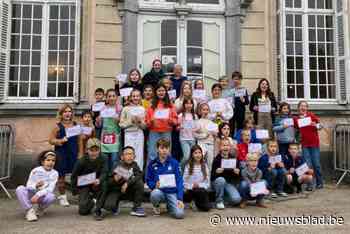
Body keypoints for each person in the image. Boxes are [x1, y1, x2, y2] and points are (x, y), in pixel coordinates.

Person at [95, 146, 146, 220]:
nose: (130, 156)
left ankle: (136, 208)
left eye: (132, 154)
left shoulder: (135, 165)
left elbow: (139, 175)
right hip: (116, 190)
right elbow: (107, 182)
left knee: (139, 183)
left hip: (127, 190)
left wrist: (127, 183)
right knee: (109, 207)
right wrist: (114, 179)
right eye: (127, 154)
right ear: (122, 157)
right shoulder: (117, 165)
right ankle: (111, 205)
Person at [49, 104, 80, 207]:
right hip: (61, 153)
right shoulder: (57, 126)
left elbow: (80, 141)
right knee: (61, 176)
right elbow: (51, 140)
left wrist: (81, 153)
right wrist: (61, 140)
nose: (68, 113)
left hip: (74, 153)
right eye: (65, 112)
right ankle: (63, 197)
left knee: (77, 176)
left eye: (69, 111)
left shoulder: (76, 125)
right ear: (61, 114)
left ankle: (81, 195)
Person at [146, 138, 185, 219]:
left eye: (166, 148)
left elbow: (179, 181)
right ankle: (156, 206)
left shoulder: (174, 163)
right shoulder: (152, 164)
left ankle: (170, 205)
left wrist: (180, 199)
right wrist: (154, 185)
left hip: (172, 193)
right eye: (162, 148)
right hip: (160, 192)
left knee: (179, 214)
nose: (164, 150)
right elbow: (148, 180)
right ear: (157, 149)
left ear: (169, 149)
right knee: (154, 193)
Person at [16, 150, 58, 222]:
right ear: (42, 162)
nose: (51, 162)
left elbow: (50, 188)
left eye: (53, 160)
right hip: (31, 193)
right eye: (48, 160)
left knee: (51, 196)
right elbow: (28, 185)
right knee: (20, 189)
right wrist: (35, 185)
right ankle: (29, 211)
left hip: (41, 195)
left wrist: (38, 195)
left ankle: (41, 208)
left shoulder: (55, 173)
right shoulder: (36, 170)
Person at [71, 138, 108, 215]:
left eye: (96, 150)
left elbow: (105, 172)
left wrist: (99, 180)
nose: (94, 153)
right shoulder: (81, 161)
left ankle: (98, 208)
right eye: (91, 150)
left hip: (97, 182)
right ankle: (92, 201)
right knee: (83, 211)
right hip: (84, 184)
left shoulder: (104, 158)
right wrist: (75, 190)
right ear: (87, 150)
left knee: (104, 183)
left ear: (100, 150)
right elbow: (74, 176)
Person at [145, 84, 178, 165]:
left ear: (165, 92)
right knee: (152, 154)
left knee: (166, 153)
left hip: (166, 132)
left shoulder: (170, 105)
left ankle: (166, 174)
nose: (161, 92)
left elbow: (175, 121)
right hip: (154, 132)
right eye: (159, 91)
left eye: (163, 91)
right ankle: (150, 176)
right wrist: (151, 121)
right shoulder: (151, 105)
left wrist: (170, 120)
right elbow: (147, 122)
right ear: (156, 92)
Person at [294, 100, 323, 190]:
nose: (303, 108)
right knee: (307, 165)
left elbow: (321, 127)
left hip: (314, 143)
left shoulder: (312, 116)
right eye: (301, 106)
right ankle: (310, 184)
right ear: (298, 108)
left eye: (305, 106)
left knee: (316, 164)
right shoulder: (296, 119)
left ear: (307, 108)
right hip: (304, 144)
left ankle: (319, 183)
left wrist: (315, 125)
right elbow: (295, 130)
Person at [96, 89, 123, 171]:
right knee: (105, 159)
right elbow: (99, 125)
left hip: (115, 136)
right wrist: (98, 120)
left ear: (116, 97)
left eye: (113, 96)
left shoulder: (120, 108)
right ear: (106, 98)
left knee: (115, 159)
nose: (111, 98)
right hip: (105, 137)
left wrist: (118, 119)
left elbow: (123, 123)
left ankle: (113, 178)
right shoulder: (103, 108)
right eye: (109, 96)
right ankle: (105, 178)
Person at [119, 89, 147, 170]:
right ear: (130, 97)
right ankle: (128, 175)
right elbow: (121, 124)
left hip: (139, 134)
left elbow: (145, 126)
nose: (135, 98)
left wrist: (139, 122)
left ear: (140, 97)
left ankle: (138, 174)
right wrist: (130, 122)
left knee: (139, 155)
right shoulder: (125, 108)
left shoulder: (142, 109)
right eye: (133, 96)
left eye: (137, 96)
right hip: (129, 134)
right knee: (128, 154)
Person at [211, 139, 241, 210]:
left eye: (227, 145)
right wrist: (216, 172)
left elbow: (238, 177)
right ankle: (219, 201)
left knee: (236, 200)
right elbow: (211, 177)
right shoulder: (216, 159)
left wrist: (237, 173)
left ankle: (225, 197)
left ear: (230, 147)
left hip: (228, 183)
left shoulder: (234, 159)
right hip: (217, 182)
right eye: (223, 145)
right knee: (221, 180)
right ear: (220, 147)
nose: (225, 147)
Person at [183, 145, 211, 212]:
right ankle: (192, 201)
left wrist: (199, 185)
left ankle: (196, 203)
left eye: (199, 153)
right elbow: (184, 182)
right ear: (192, 155)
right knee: (197, 191)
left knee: (207, 208)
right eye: (195, 153)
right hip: (191, 190)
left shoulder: (204, 165)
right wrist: (192, 185)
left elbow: (207, 183)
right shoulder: (188, 166)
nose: (198, 155)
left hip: (201, 190)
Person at [194, 103, 218, 173]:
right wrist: (204, 135)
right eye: (204, 110)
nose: (205, 111)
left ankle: (208, 182)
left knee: (210, 165)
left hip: (210, 145)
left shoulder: (212, 123)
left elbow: (215, 137)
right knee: (199, 163)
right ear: (200, 111)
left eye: (207, 110)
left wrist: (215, 135)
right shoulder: (197, 122)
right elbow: (195, 135)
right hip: (201, 144)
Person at [177, 97, 197, 168]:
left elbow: (197, 127)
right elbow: (177, 127)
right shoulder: (181, 115)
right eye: (187, 103)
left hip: (193, 139)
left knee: (192, 158)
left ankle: (187, 172)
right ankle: (179, 167)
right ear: (184, 105)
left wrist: (196, 129)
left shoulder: (195, 116)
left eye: (190, 103)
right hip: (184, 139)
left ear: (192, 105)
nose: (189, 105)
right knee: (186, 156)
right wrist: (179, 127)